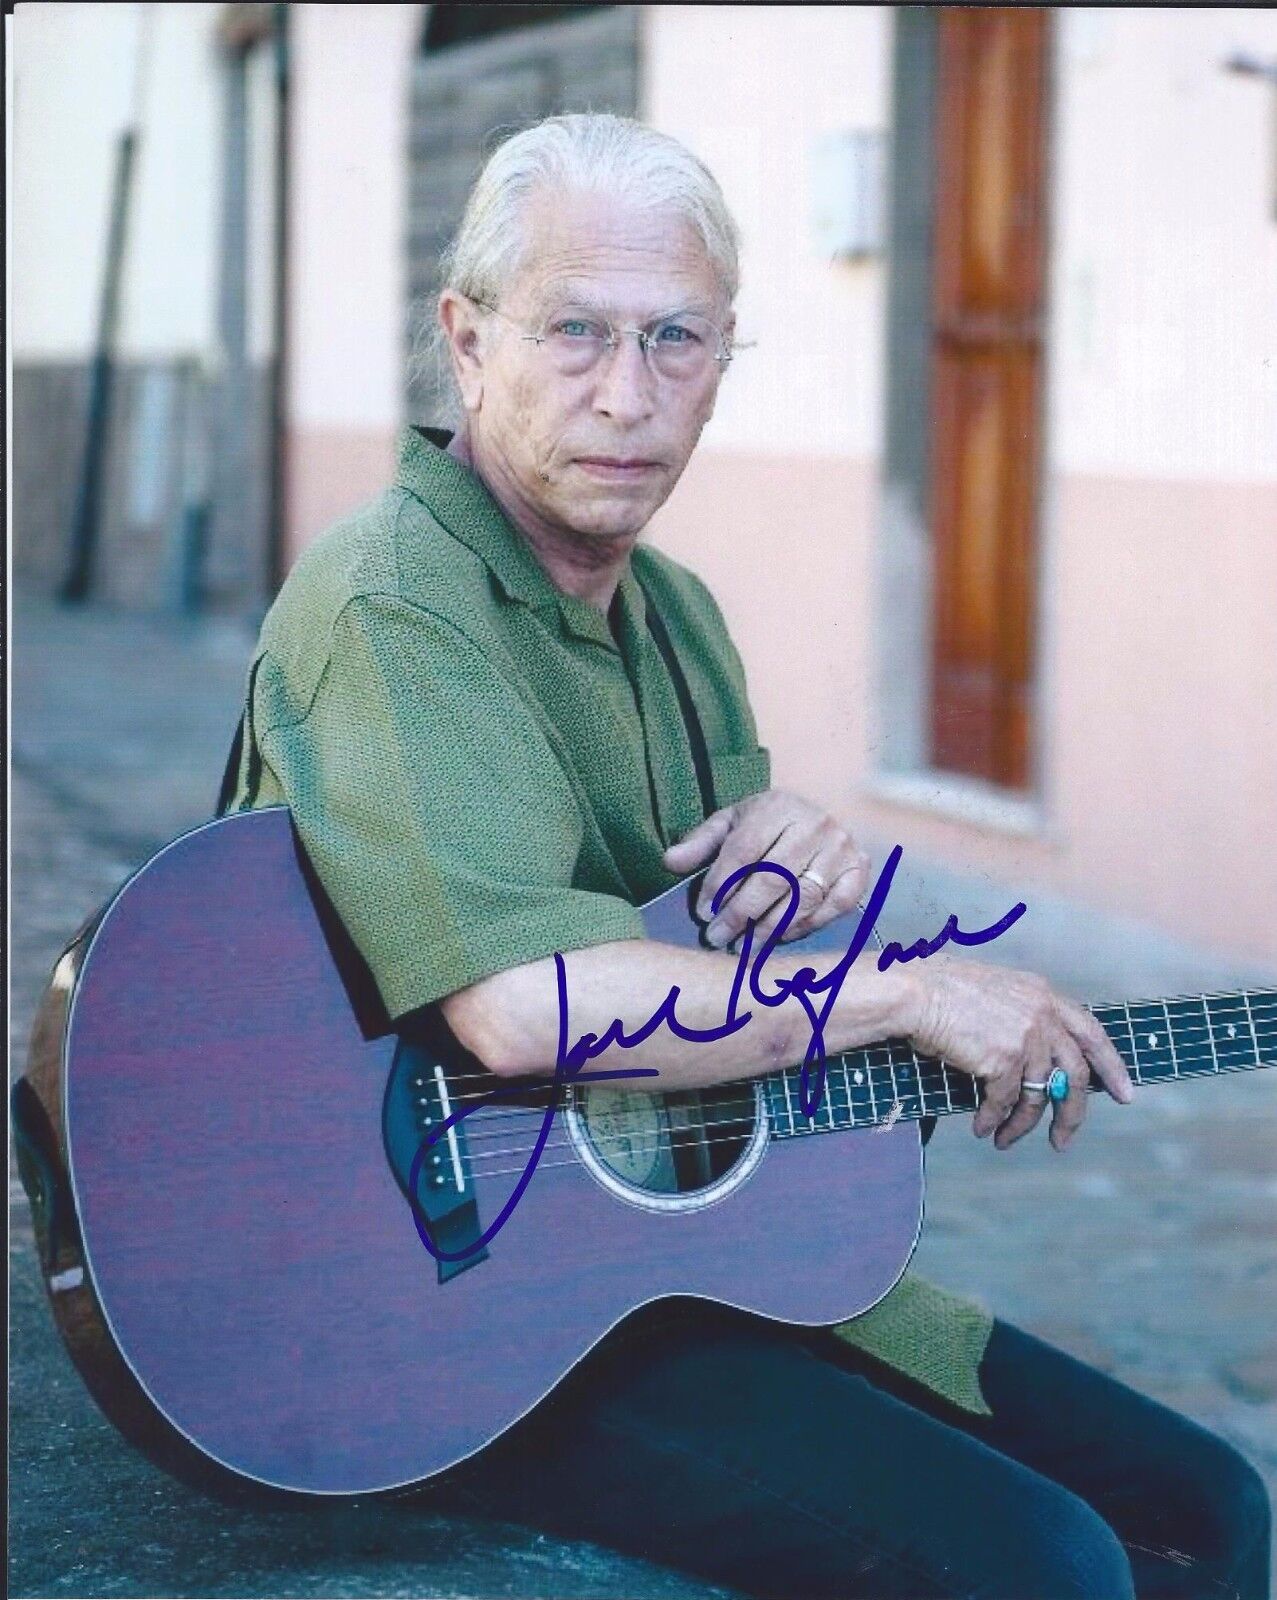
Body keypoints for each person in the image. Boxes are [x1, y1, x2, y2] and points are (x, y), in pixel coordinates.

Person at [221, 115, 1270, 1599]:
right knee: (1042, 1565)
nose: (627, 397)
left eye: (678, 340)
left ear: (724, 358)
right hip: (436, 1292)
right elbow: (524, 1008)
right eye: (574, 331)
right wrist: (908, 998)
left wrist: (790, 907)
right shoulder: (396, 603)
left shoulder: (678, 618)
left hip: (663, 1261)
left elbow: (718, 999)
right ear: (466, 341)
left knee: (1206, 1509)